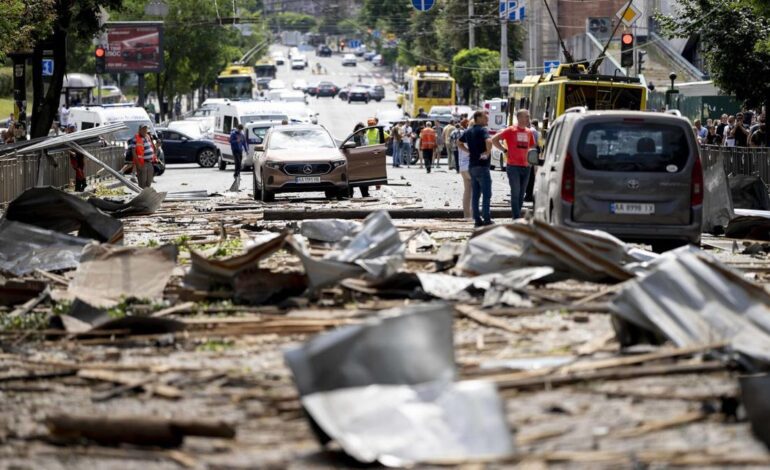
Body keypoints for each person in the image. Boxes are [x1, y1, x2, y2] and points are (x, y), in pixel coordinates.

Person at [492, 109, 536, 220]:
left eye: (528, 117)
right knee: (515, 192)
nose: (528, 119)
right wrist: (505, 150)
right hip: (513, 166)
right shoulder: (510, 130)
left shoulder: (529, 132)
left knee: (521, 194)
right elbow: (494, 139)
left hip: (526, 167)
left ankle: (517, 215)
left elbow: (532, 147)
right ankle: (516, 217)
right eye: (526, 116)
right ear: (519, 117)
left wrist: (532, 162)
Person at [459, 110, 493, 227]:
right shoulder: (483, 130)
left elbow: (458, 142)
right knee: (487, 193)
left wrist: (468, 151)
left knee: (476, 194)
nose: (487, 119)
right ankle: (487, 218)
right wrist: (487, 152)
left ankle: (477, 219)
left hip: (472, 166)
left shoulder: (468, 131)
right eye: (485, 117)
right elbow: (489, 141)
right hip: (482, 166)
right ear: (478, 118)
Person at [131, 124, 158, 189]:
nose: (145, 130)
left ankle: (147, 194)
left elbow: (153, 147)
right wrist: (138, 164)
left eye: (146, 129)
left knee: (149, 181)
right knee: (142, 182)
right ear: (139, 130)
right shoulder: (136, 138)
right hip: (142, 163)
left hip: (150, 162)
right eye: (143, 129)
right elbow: (133, 152)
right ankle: (142, 196)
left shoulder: (148, 137)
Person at [455, 119, 472, 218]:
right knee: (474, 192)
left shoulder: (463, 135)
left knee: (467, 191)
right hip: (470, 165)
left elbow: (458, 144)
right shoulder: (472, 135)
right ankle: (474, 216)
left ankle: (466, 216)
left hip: (462, 166)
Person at [65, 124, 87, 191]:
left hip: (79, 154)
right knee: (77, 169)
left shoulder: (77, 135)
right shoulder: (67, 137)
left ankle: (78, 187)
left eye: (73, 128)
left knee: (80, 169)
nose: (72, 130)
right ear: (68, 129)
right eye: (71, 128)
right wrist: (71, 152)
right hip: (74, 155)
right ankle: (83, 183)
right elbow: (65, 147)